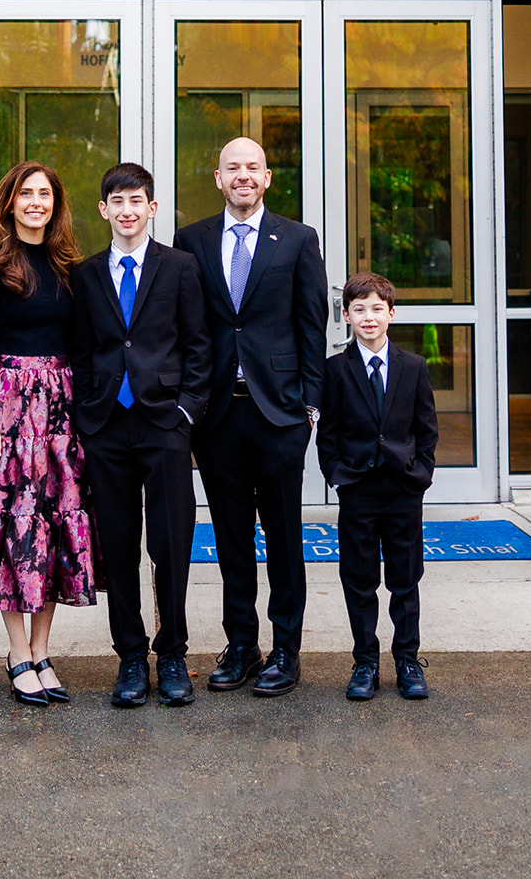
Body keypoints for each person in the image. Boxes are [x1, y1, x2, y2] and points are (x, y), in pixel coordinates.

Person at [175, 136, 328, 697]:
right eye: (232, 167)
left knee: (284, 537)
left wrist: (310, 405)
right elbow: (185, 328)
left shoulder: (296, 239)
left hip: (280, 413)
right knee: (231, 536)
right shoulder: (190, 242)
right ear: (217, 178)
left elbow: (312, 325)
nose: (243, 175)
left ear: (267, 178)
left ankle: (286, 648)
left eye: (253, 167)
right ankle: (241, 643)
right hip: (217, 416)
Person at [0, 161, 98, 707]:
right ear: (9, 203)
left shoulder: (70, 267)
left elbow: (82, 346)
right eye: (25, 194)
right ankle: (16, 652)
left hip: (60, 413)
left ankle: (42, 650)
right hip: (9, 414)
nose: (35, 202)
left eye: (44, 194)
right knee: (15, 529)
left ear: (56, 204)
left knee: (57, 528)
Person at [70, 163, 211, 708]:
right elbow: (80, 351)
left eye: (137, 201)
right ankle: (130, 656)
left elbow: (199, 344)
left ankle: (172, 652)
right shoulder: (84, 276)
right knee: (119, 544)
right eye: (117, 202)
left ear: (152, 208)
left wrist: (186, 411)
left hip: (165, 424)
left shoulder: (179, 267)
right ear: (103, 210)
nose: (127, 211)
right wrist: (87, 414)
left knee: (171, 544)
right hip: (107, 425)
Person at [317, 272, 438, 703]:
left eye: (376, 309)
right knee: (359, 578)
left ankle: (407, 659)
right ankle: (365, 660)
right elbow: (327, 434)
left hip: (403, 490)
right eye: (359, 309)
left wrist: (421, 473)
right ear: (346, 316)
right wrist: (337, 474)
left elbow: (426, 429)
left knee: (405, 579)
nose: (368, 317)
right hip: (358, 489)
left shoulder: (413, 367)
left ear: (392, 313)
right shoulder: (335, 370)